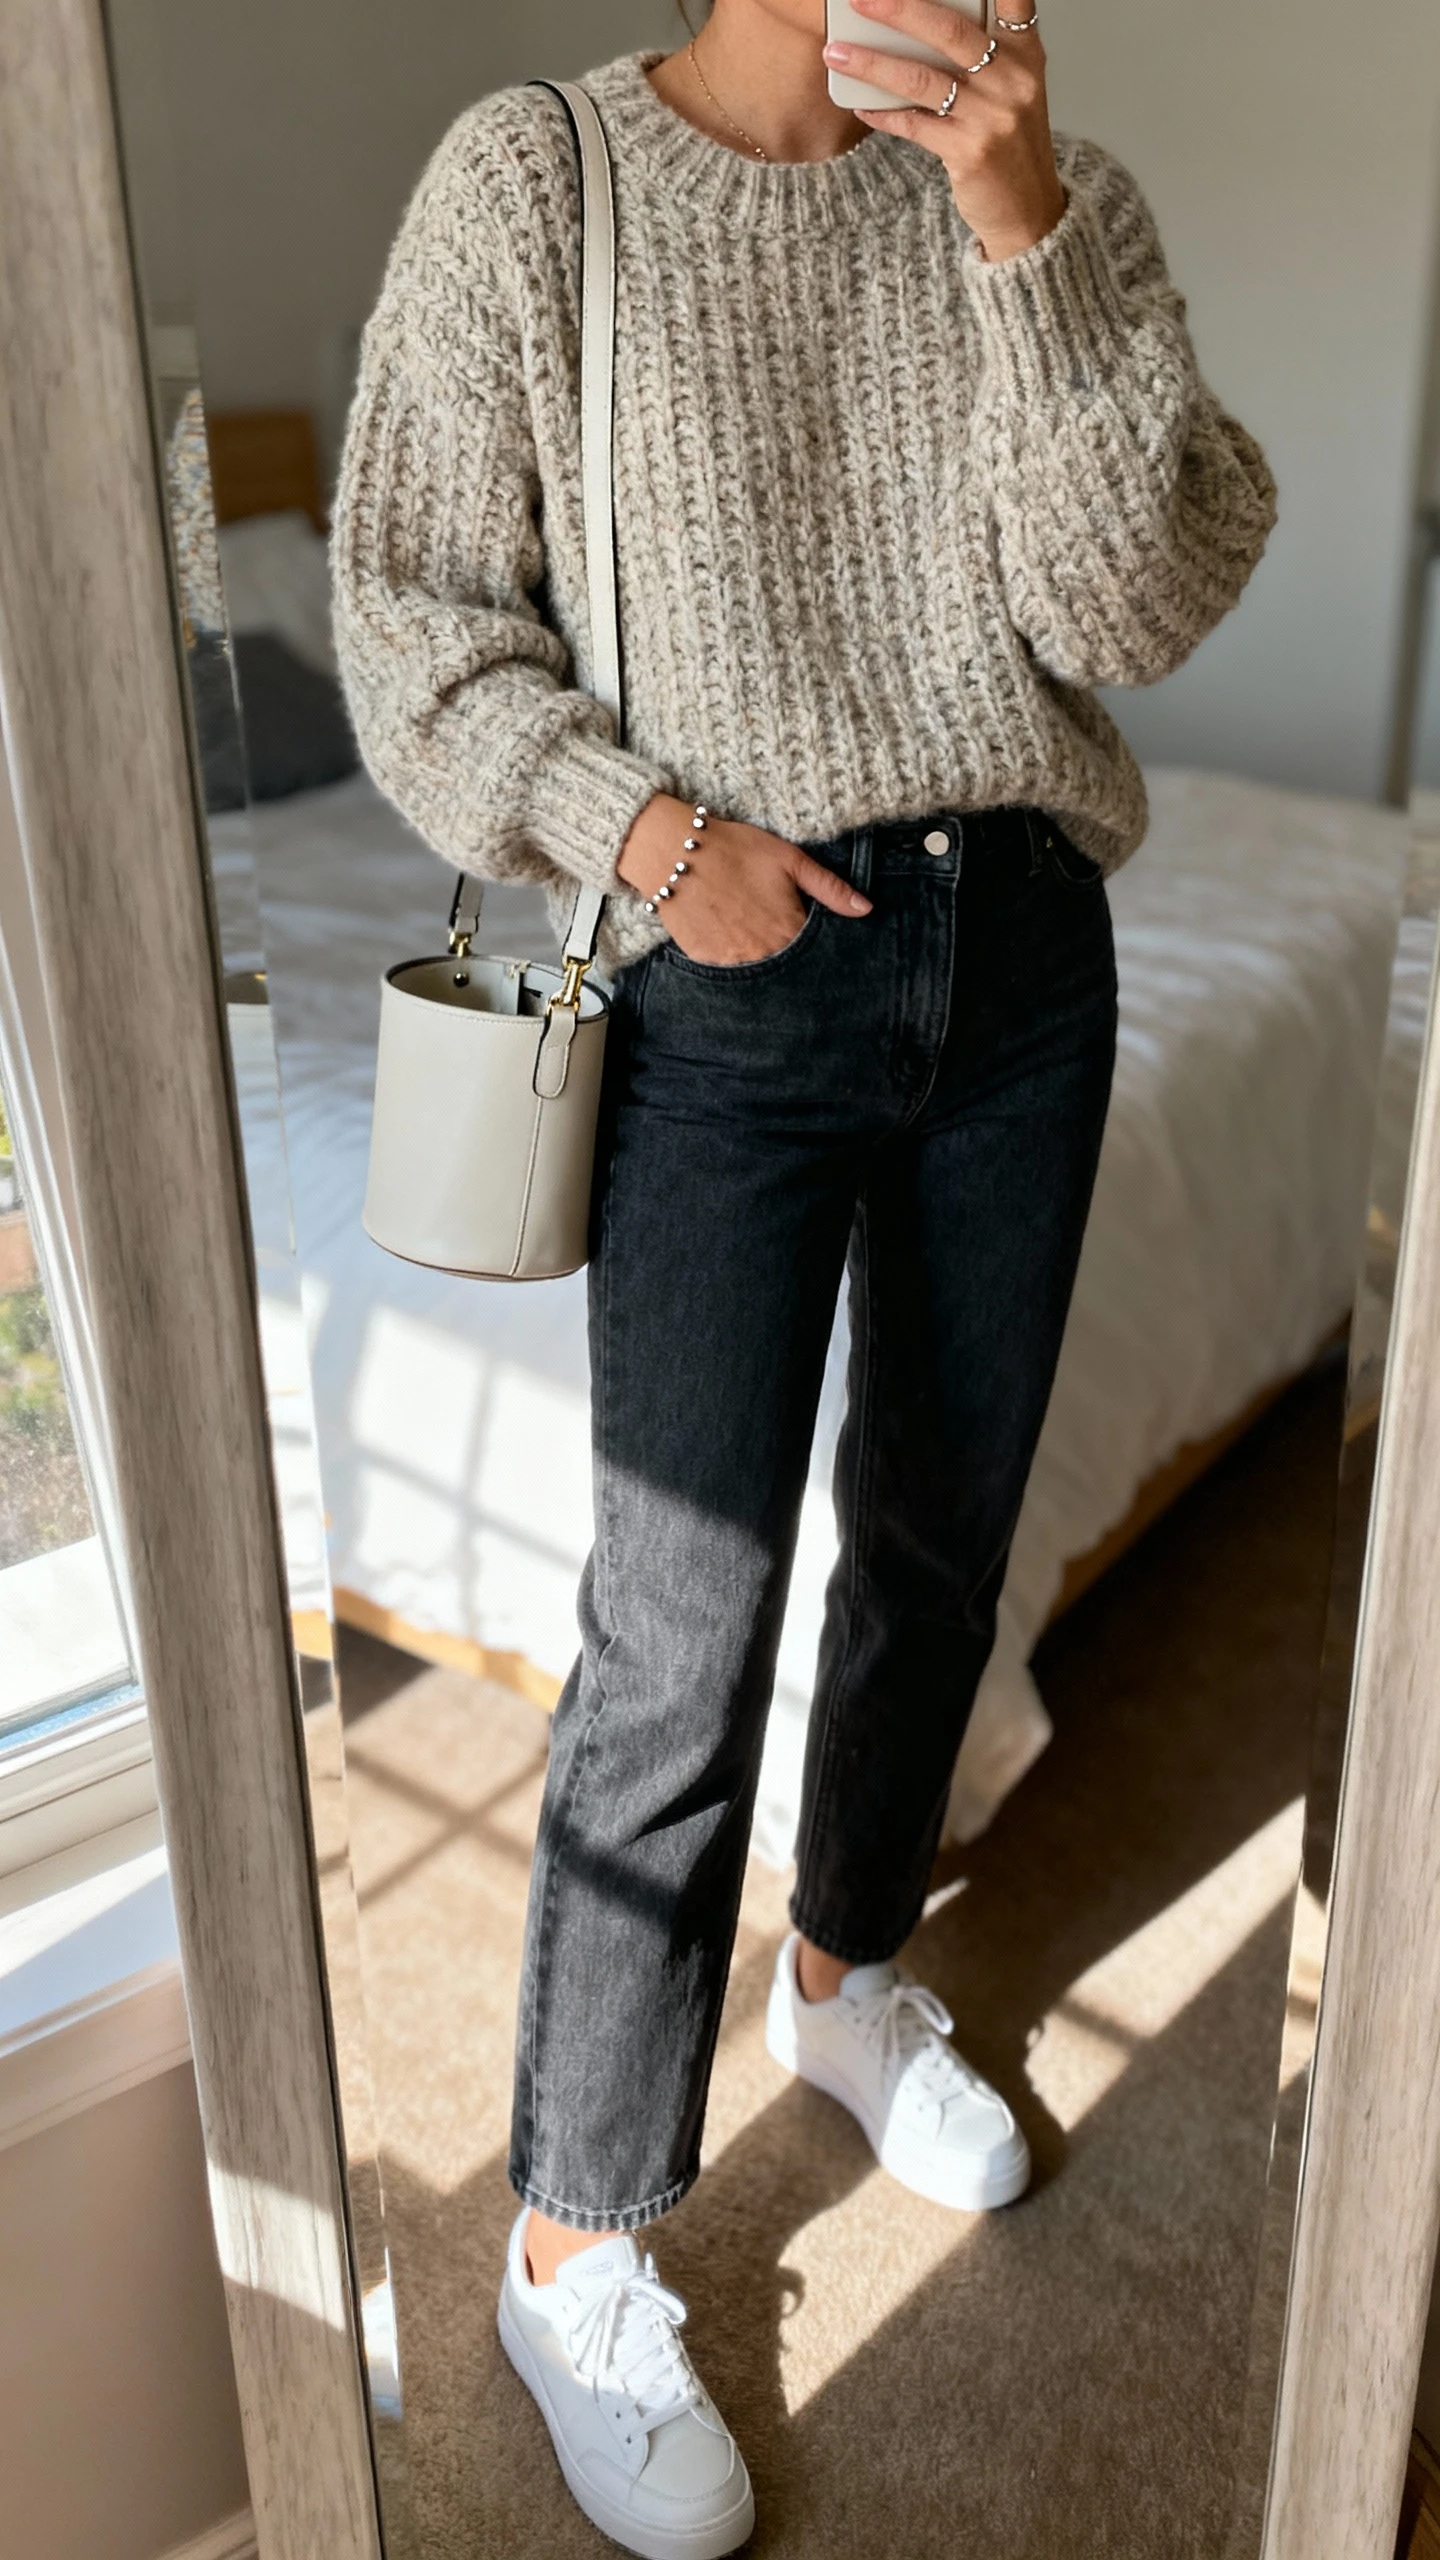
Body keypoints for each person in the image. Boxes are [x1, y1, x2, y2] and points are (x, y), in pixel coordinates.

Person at [333, 0, 1274, 2545]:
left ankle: (847, 1975)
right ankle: (571, 2232)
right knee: (680, 1617)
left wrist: (1019, 225)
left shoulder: (1048, 196)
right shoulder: (535, 184)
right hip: (724, 979)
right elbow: (411, 617)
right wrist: (647, 836)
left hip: (1026, 959)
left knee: (942, 1539)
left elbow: (1145, 596)